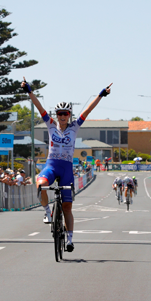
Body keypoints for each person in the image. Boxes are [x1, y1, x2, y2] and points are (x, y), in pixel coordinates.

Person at [22, 76, 112, 253]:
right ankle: (47, 211)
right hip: (51, 165)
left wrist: (101, 94)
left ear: (69, 115)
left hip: (66, 169)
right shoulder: (50, 124)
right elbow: (39, 107)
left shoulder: (75, 126)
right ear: (56, 115)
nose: (62, 116)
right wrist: (29, 91)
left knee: (67, 206)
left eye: (65, 113)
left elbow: (89, 109)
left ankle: (70, 239)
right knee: (41, 185)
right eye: (59, 114)